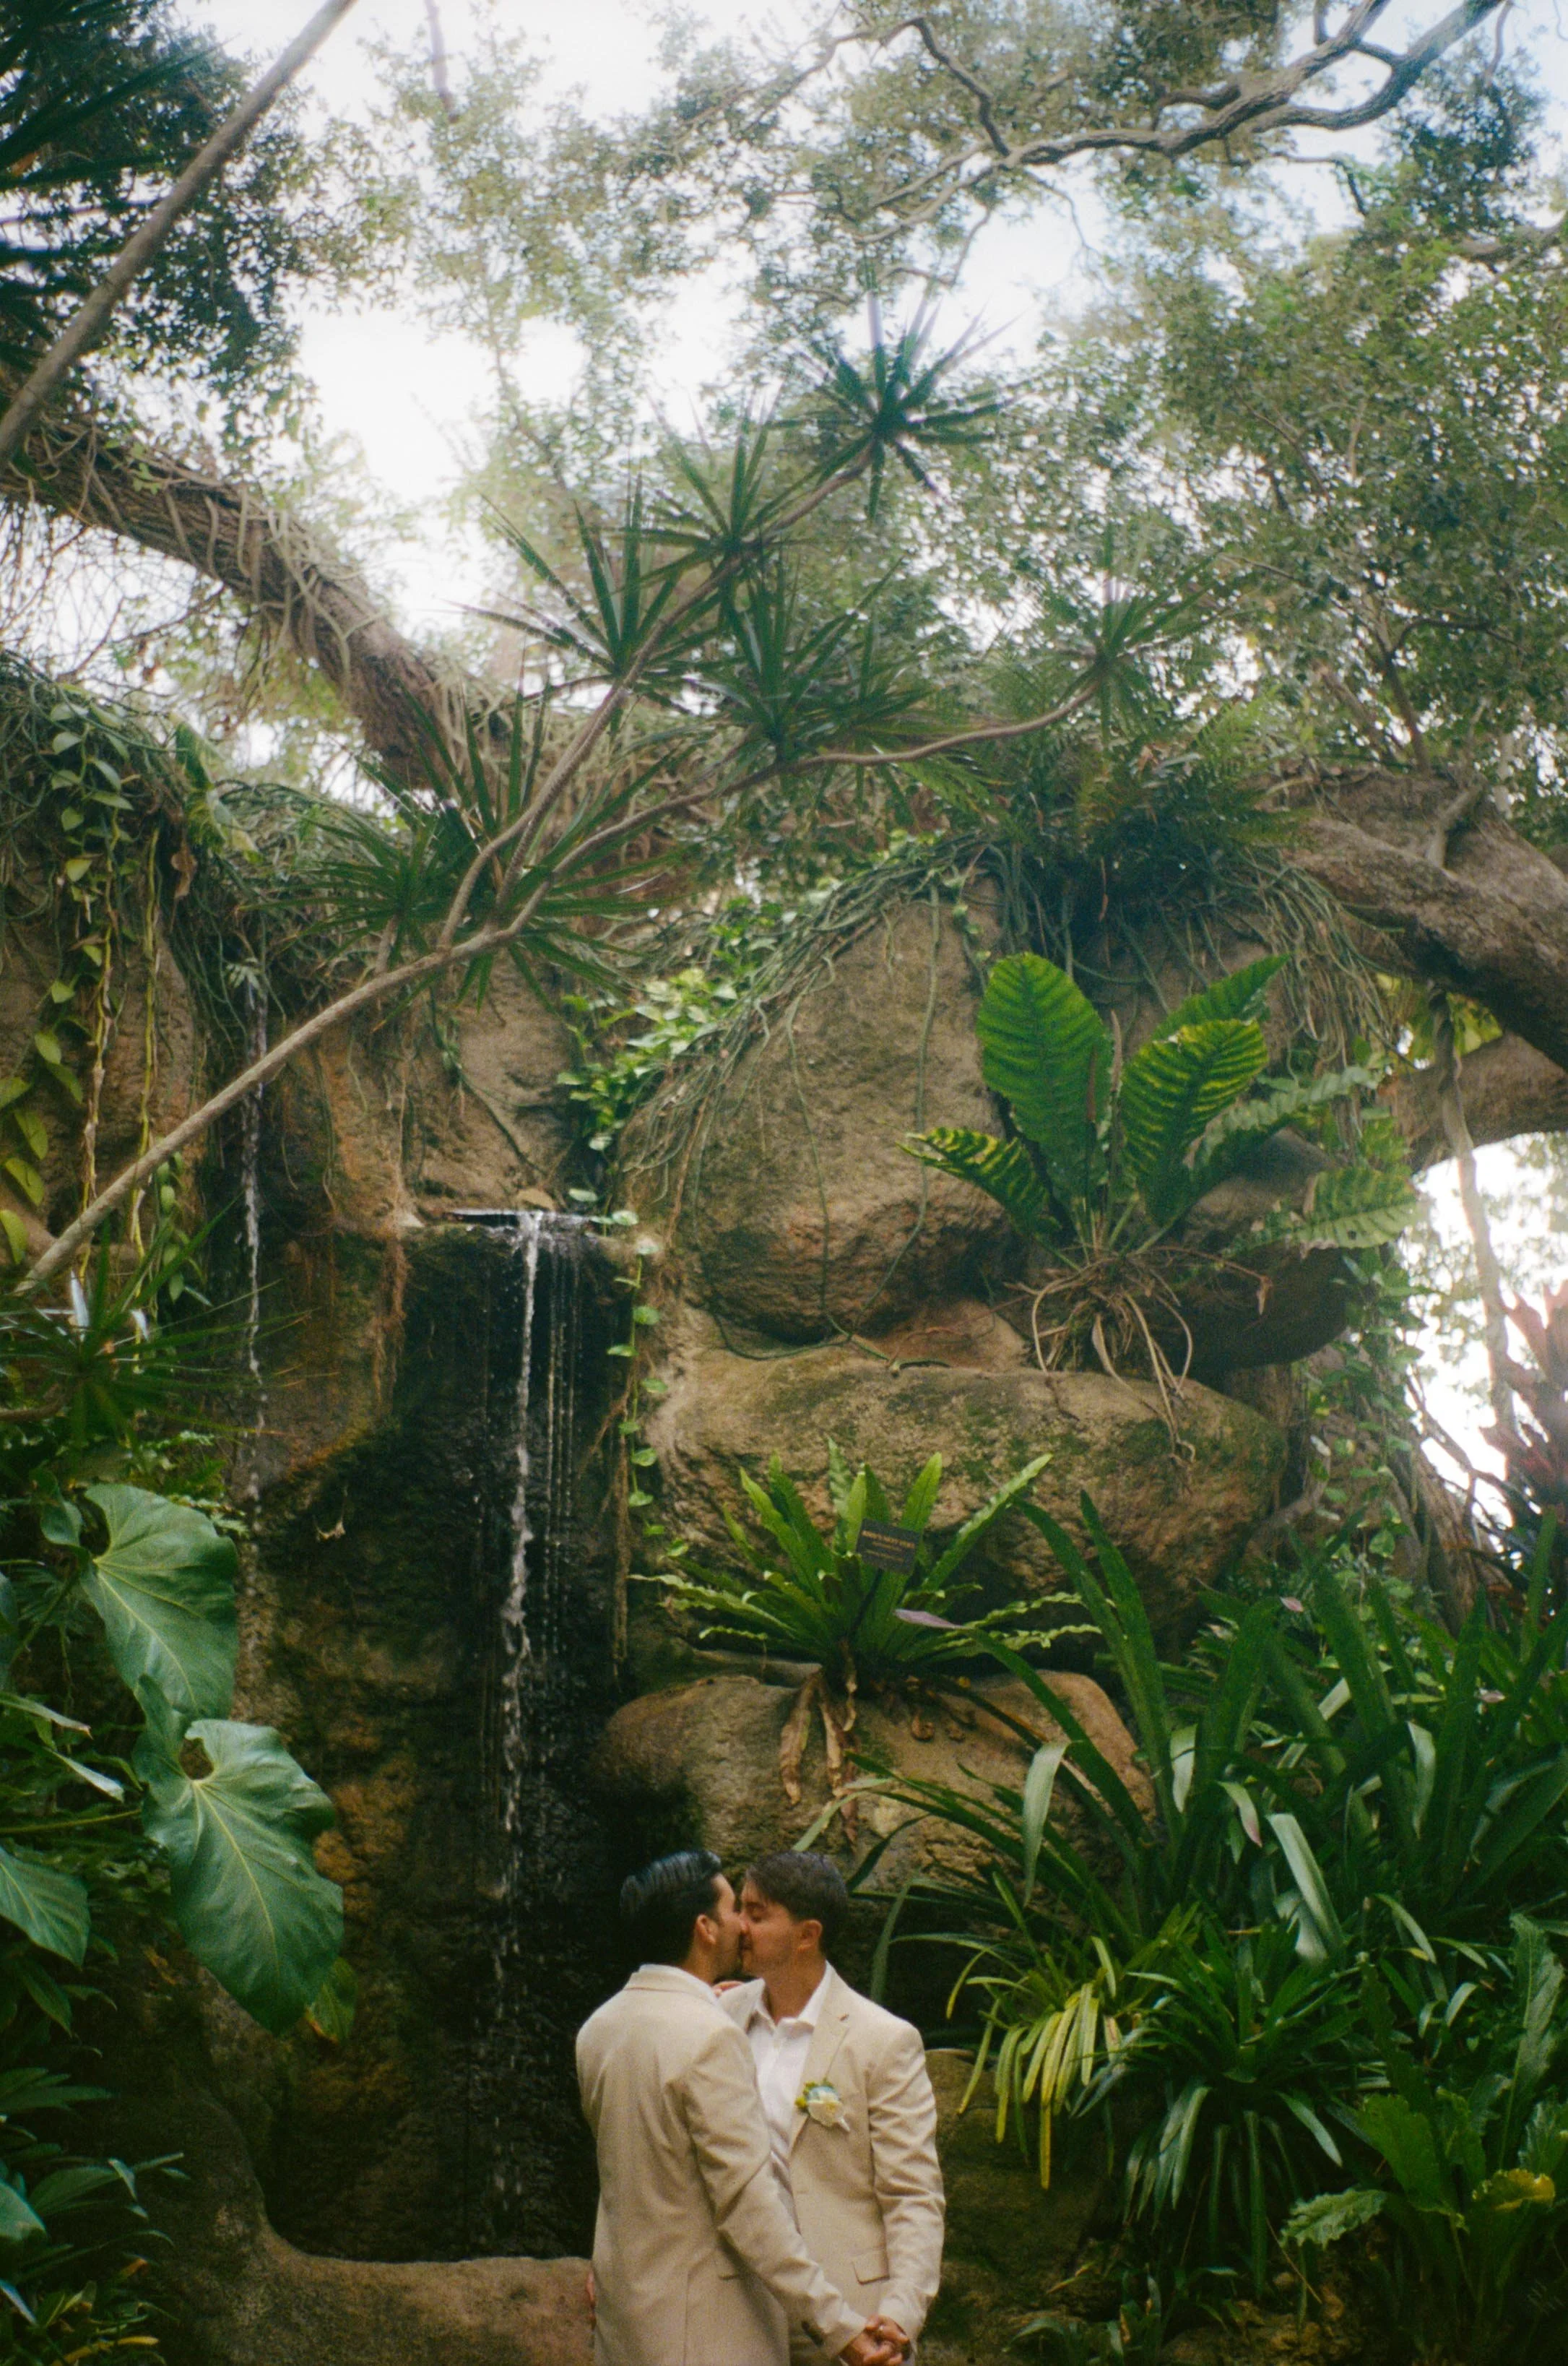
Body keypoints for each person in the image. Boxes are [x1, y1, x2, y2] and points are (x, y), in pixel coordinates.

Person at [576, 1849, 899, 2366]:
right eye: (733, 1910)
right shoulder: (711, 2036)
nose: (742, 1926)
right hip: (704, 2331)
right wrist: (839, 2326)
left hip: (624, 2324)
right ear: (704, 1927)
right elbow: (749, 2206)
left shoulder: (599, 2027)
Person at [723, 1852, 945, 2365]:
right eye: (739, 1909)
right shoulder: (719, 2017)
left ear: (807, 1935)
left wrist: (901, 2312)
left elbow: (912, 2193)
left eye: (756, 1914)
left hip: (856, 2313)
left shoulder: (883, 2039)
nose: (739, 1926)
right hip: (739, 2305)